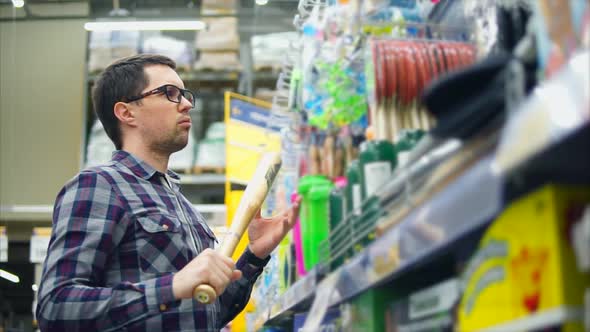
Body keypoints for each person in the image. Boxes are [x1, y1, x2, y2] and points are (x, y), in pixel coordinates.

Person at [36, 54, 300, 331]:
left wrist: (254, 255)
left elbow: (206, 312)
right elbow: (56, 307)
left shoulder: (181, 204)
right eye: (169, 94)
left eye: (185, 95)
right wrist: (172, 287)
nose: (186, 104)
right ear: (127, 112)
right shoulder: (99, 186)